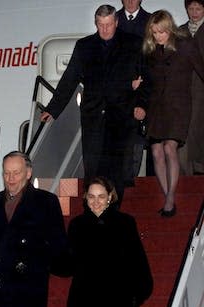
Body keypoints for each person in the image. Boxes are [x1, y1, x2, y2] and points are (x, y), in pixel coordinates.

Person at [41, 4, 150, 207]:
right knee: (92, 169)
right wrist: (52, 109)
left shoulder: (133, 43)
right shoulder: (84, 46)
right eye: (101, 25)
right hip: (93, 117)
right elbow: (69, 79)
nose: (105, 29)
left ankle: (114, 212)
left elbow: (145, 78)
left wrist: (142, 104)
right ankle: (92, 213)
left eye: (109, 24)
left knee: (116, 169)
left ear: (116, 22)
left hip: (121, 116)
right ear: (96, 23)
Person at [0, 151, 67, 307]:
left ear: (28, 173)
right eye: (6, 173)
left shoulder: (46, 201)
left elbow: (58, 243)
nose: (10, 179)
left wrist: (46, 266)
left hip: (29, 288)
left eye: (16, 173)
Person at [143, 10, 204, 217]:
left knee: (170, 148)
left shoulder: (185, 45)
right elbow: (147, 81)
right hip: (156, 108)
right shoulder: (150, 51)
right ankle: (166, 192)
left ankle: (170, 198)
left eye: (161, 32)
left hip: (178, 107)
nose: (158, 36)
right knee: (156, 152)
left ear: (169, 28)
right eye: (154, 33)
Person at [62, 176, 153, 306]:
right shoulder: (77, 225)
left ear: (110, 197)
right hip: (84, 297)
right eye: (91, 196)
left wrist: (136, 296)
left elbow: (137, 259)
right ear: (86, 197)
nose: (96, 201)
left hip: (118, 296)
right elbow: (69, 264)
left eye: (101, 196)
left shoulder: (125, 222)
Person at [117, 0, 154, 183]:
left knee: (138, 149)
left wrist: (142, 102)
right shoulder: (112, 21)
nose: (131, 1)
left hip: (143, 97)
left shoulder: (151, 21)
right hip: (118, 99)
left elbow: (152, 67)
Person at [179, 0, 204, 175]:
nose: (194, 12)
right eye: (191, 8)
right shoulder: (179, 31)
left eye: (198, 8)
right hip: (183, 91)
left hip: (202, 91)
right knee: (185, 131)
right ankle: (185, 174)